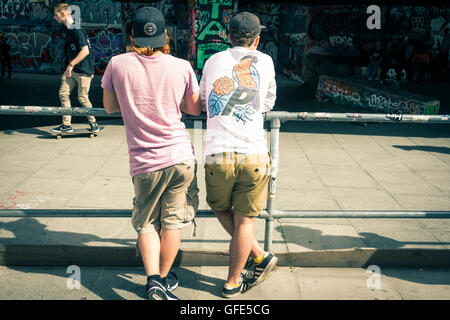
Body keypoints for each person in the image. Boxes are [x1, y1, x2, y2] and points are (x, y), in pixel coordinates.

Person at [102, 6, 201, 300]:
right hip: (181, 156)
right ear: (164, 35)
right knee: (172, 222)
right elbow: (193, 109)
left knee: (146, 223)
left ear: (132, 35)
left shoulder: (117, 64)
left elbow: (109, 107)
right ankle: (164, 279)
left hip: (144, 162)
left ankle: (153, 280)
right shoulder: (181, 66)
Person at [200, 12, 278, 299]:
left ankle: (258, 255)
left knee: (218, 205)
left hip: (218, 152)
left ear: (228, 37)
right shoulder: (266, 61)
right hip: (254, 153)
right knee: (246, 221)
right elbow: (268, 102)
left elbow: (204, 101)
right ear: (257, 39)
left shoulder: (212, 60)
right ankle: (234, 280)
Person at [52, 3, 99, 133]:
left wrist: (71, 64)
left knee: (82, 98)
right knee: (63, 93)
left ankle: (93, 123)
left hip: (84, 70)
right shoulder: (68, 28)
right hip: (73, 71)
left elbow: (85, 51)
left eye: (56, 15)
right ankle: (66, 125)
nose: (54, 18)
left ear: (63, 14)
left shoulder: (77, 29)